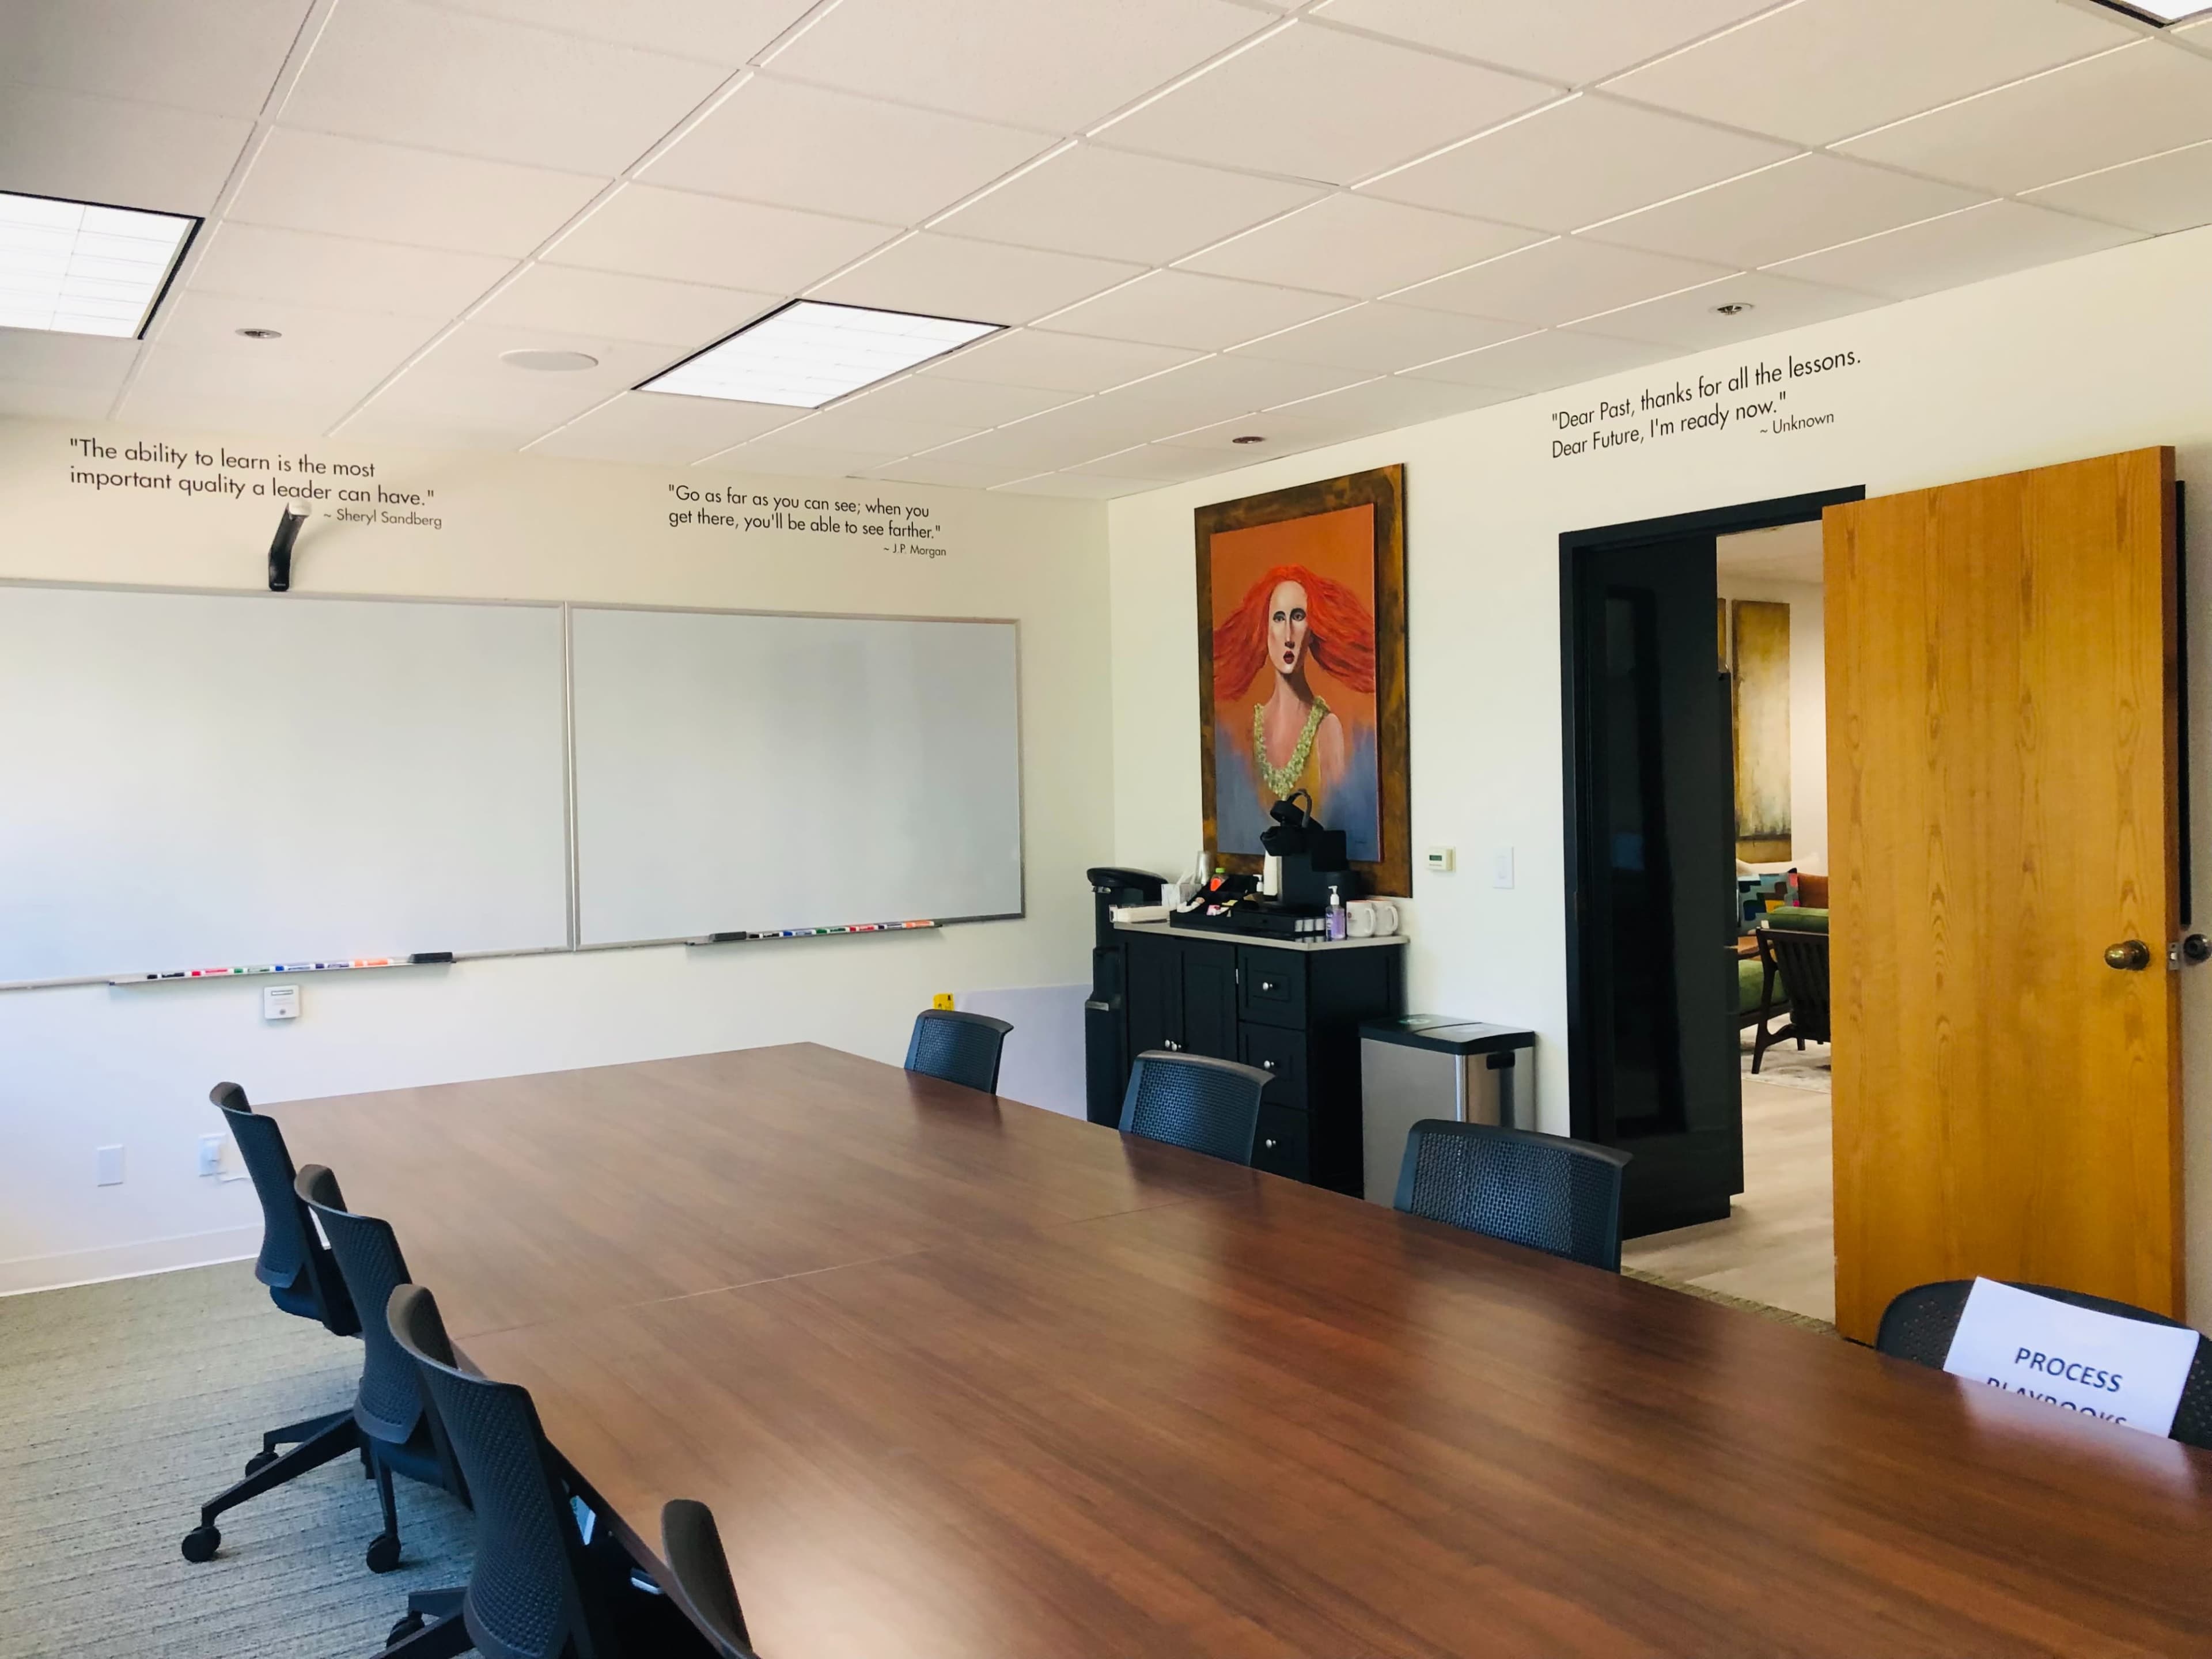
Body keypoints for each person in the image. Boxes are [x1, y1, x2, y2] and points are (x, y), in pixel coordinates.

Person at [1211, 563, 1379, 861]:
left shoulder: (1327, 729)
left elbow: (1338, 830)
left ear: (1312, 631)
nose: (1288, 634)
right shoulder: (1247, 732)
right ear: (1265, 630)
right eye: (1279, 618)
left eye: (1298, 617)